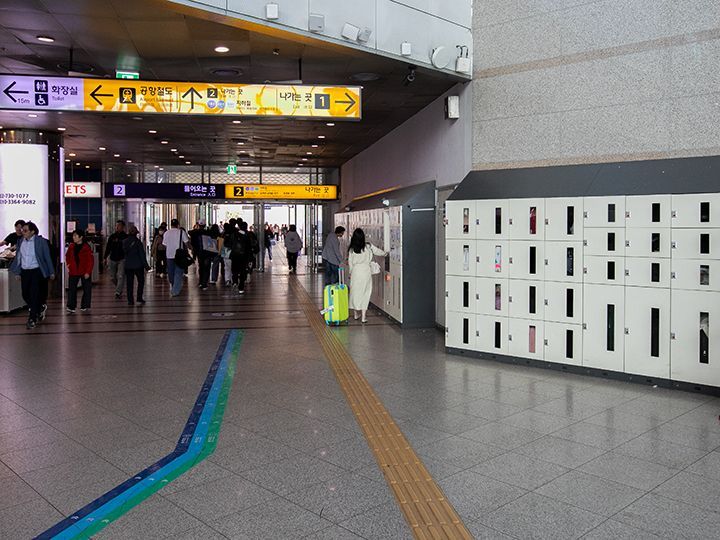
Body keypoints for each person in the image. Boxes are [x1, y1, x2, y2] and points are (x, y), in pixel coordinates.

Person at [10, 222, 54, 329]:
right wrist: (17, 271)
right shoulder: (20, 241)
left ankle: (32, 318)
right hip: (25, 271)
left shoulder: (41, 242)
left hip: (36, 271)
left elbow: (47, 257)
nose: (23, 232)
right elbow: (19, 258)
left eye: (25, 230)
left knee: (34, 294)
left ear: (32, 231)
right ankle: (39, 307)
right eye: (22, 230)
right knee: (25, 294)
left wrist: (51, 271)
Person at [348, 228, 387, 324]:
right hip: (366, 271)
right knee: (366, 293)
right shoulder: (368, 246)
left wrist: (350, 273)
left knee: (355, 293)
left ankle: (356, 313)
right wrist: (385, 253)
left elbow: (350, 263)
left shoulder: (351, 249)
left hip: (356, 272)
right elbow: (378, 251)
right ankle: (363, 316)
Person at [65, 229, 93, 313]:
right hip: (73, 270)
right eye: (73, 236)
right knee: (72, 289)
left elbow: (90, 261)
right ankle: (71, 306)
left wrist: (88, 272)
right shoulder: (71, 246)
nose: (73, 237)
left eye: (75, 236)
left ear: (81, 237)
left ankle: (85, 305)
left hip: (84, 271)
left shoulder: (86, 247)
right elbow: (67, 256)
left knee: (87, 289)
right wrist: (69, 264)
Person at [163, 219, 190, 297]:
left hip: (169, 255)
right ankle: (175, 289)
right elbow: (187, 242)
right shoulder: (181, 232)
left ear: (171, 225)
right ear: (178, 225)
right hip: (179, 256)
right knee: (178, 273)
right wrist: (190, 248)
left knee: (171, 273)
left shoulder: (166, 233)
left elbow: (164, 244)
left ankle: (174, 288)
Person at [123, 226, 149, 305]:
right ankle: (139, 298)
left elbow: (123, 253)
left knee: (129, 283)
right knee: (141, 282)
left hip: (128, 266)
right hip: (138, 265)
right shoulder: (138, 242)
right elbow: (142, 255)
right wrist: (146, 266)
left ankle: (130, 300)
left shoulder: (124, 242)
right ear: (136, 233)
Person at [104, 220, 128, 299]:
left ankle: (118, 292)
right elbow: (108, 247)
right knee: (112, 277)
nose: (117, 227)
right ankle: (119, 287)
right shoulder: (112, 236)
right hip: (112, 258)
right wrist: (105, 257)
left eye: (119, 225)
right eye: (116, 225)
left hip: (122, 259)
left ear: (123, 227)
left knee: (120, 276)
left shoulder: (126, 237)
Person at [230, 221, 252, 294]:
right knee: (243, 271)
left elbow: (230, 244)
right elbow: (249, 247)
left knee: (235, 270)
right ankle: (241, 287)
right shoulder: (247, 235)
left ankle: (235, 281)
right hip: (243, 256)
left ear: (239, 227)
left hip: (235, 255)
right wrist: (249, 258)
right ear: (246, 227)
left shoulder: (234, 234)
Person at [221, 222, 236, 286]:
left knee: (226, 266)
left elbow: (220, 243)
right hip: (231, 251)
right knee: (233, 266)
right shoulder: (233, 234)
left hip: (225, 251)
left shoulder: (223, 234)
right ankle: (233, 280)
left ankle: (227, 280)